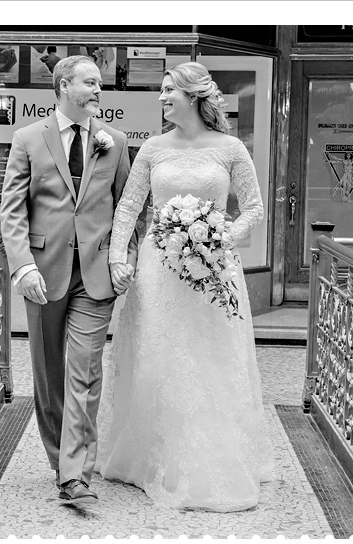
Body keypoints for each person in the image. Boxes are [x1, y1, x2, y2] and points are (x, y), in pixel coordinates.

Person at [97, 62, 275, 512]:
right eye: (160, 90)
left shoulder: (231, 148)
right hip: (159, 273)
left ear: (193, 96)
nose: (160, 98)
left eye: (168, 90)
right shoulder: (153, 149)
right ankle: (147, 456)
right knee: (159, 356)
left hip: (215, 270)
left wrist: (217, 239)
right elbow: (128, 209)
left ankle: (214, 458)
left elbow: (254, 209)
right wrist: (119, 258)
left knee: (210, 358)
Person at [0, 55, 138, 505]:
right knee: (48, 374)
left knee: (85, 372)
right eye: (90, 82)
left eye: (100, 84)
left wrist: (124, 257)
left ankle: (74, 474)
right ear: (63, 85)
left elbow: (128, 212)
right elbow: (13, 210)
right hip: (43, 272)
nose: (99, 90)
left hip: (95, 277)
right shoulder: (27, 139)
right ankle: (61, 457)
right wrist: (22, 266)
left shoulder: (114, 141)